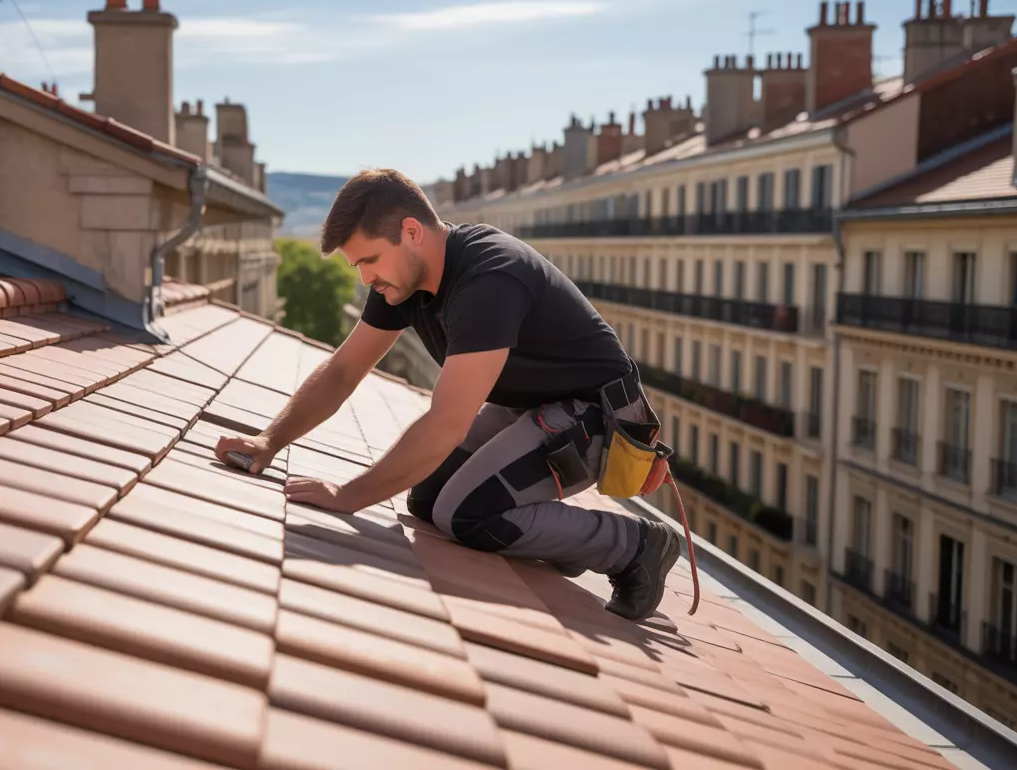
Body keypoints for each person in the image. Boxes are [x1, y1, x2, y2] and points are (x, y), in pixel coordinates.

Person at [215, 168, 681, 621]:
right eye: (357, 266)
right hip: (534, 410)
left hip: (598, 417)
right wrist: (268, 441)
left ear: (412, 231)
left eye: (369, 261)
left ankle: (638, 545)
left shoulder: (490, 278)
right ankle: (558, 540)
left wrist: (348, 495)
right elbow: (342, 371)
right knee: (427, 499)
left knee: (467, 513)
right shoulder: (403, 281)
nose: (364, 279)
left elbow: (446, 423)